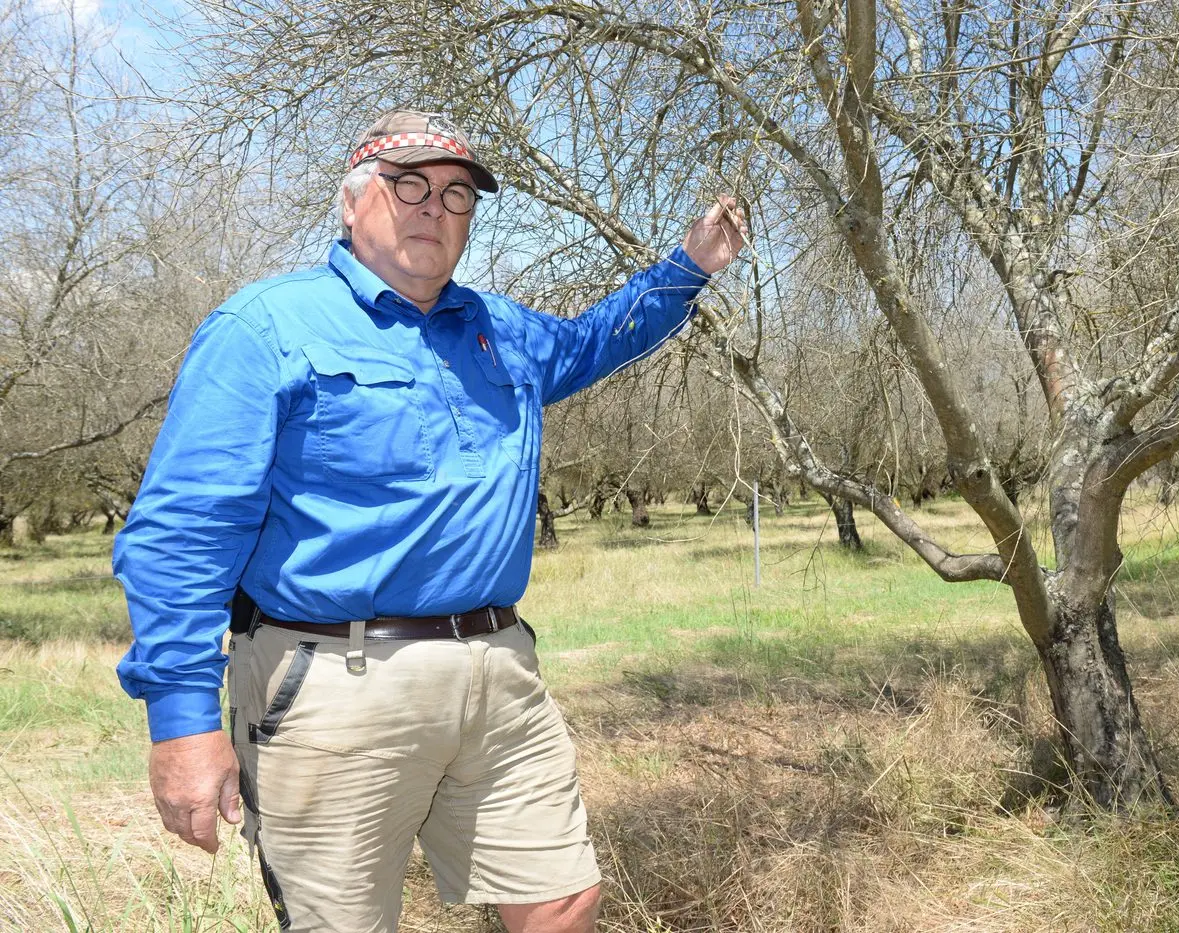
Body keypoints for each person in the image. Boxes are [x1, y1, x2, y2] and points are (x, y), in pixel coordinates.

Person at [114, 109, 747, 933]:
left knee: (563, 899)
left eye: (456, 194)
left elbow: (596, 340)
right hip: (332, 682)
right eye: (406, 183)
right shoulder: (265, 328)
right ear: (351, 204)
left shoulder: (497, 330)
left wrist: (690, 266)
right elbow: (181, 532)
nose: (432, 206)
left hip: (498, 669)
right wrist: (182, 723)